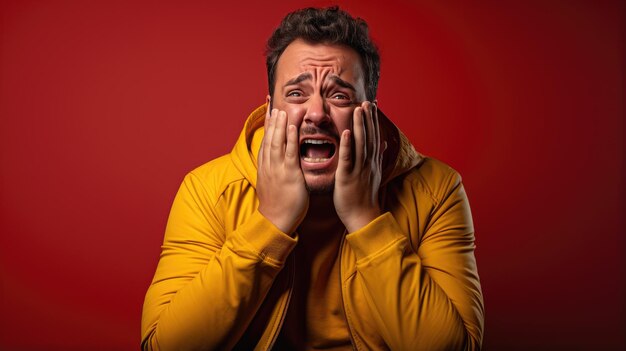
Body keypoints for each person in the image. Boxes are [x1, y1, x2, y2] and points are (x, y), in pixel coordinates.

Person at [141, 6, 484, 350]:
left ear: (371, 113)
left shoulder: (436, 190)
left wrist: (366, 219)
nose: (317, 114)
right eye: (296, 93)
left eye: (339, 95)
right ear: (271, 111)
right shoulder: (208, 191)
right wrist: (271, 223)